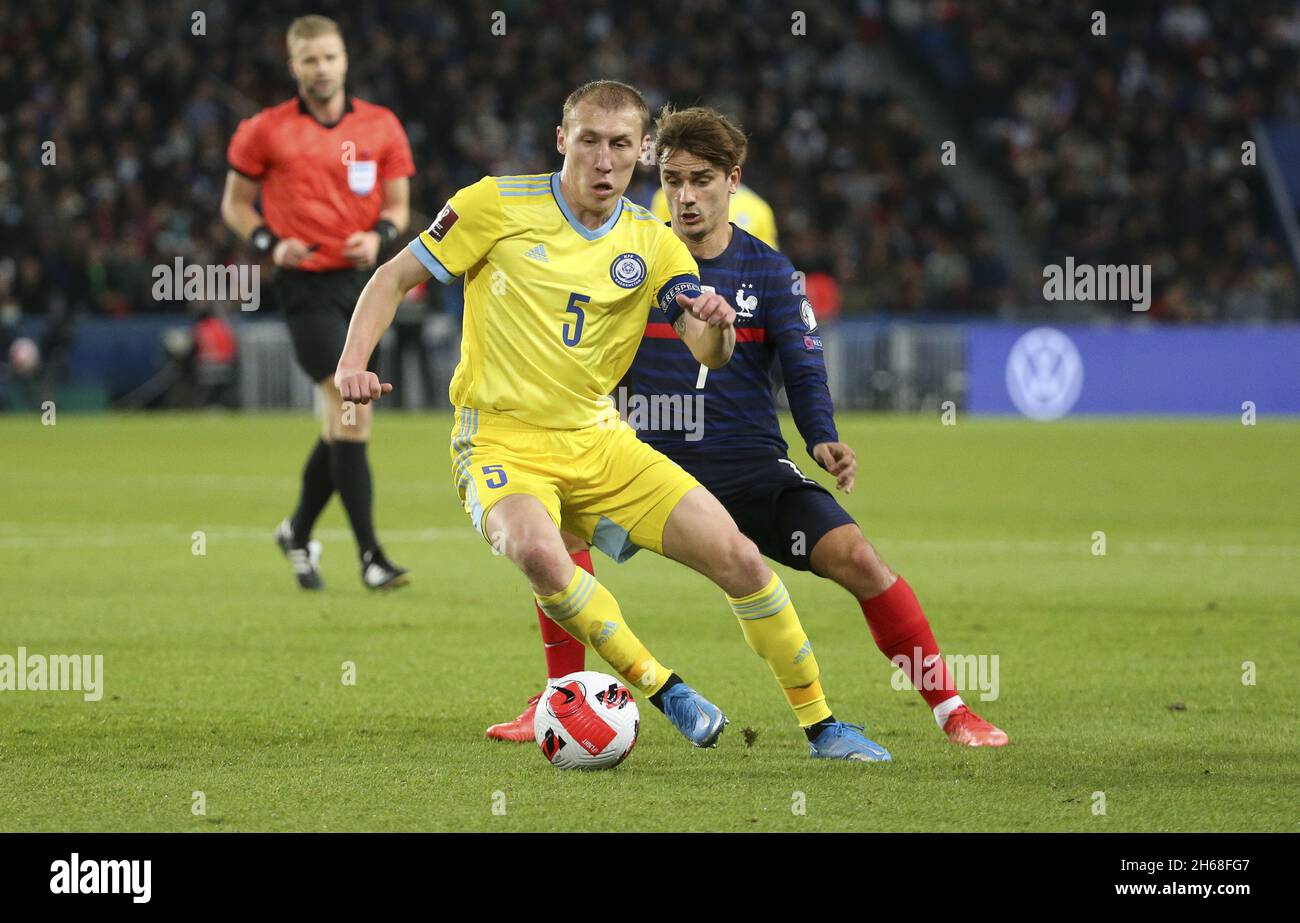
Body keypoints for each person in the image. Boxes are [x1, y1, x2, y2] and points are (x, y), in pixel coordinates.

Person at [336, 80, 891, 761]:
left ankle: (823, 724)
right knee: (539, 551)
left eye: (621, 145)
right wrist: (351, 364)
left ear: (642, 152)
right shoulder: (493, 204)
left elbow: (706, 352)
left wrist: (716, 325)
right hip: (499, 437)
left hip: (599, 439)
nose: (604, 160)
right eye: (591, 141)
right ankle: (665, 688)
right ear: (562, 140)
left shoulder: (653, 242)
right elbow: (392, 277)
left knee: (740, 557)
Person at [488, 106, 1008, 749]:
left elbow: (804, 364)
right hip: (642, 456)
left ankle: (952, 708)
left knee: (860, 559)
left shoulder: (769, 273)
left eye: (700, 180)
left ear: (733, 182)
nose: (685, 196)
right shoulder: (629, 251)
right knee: (556, 530)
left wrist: (822, 436)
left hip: (745, 464)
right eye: (672, 180)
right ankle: (560, 702)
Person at [220, 15, 413, 591]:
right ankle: (371, 556)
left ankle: (297, 530)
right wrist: (269, 244)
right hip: (304, 287)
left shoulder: (381, 126)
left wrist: (380, 233)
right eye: (309, 59)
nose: (321, 68)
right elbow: (235, 205)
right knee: (350, 404)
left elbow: (400, 206)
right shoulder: (264, 129)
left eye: (329, 57)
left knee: (342, 422)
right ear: (293, 65)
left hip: (363, 288)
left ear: (345, 59)